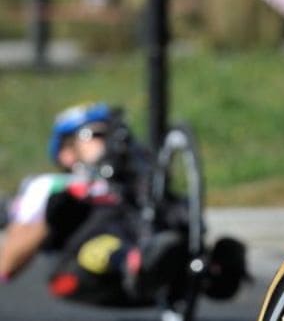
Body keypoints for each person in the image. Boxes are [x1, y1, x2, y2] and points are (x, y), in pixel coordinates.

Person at [0, 102, 245, 307]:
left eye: (112, 133)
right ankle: (134, 260)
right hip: (83, 265)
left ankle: (205, 268)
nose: (107, 140)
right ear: (67, 152)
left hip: (145, 241)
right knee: (89, 223)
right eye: (94, 134)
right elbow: (7, 265)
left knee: (172, 210)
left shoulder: (132, 174)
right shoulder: (50, 184)